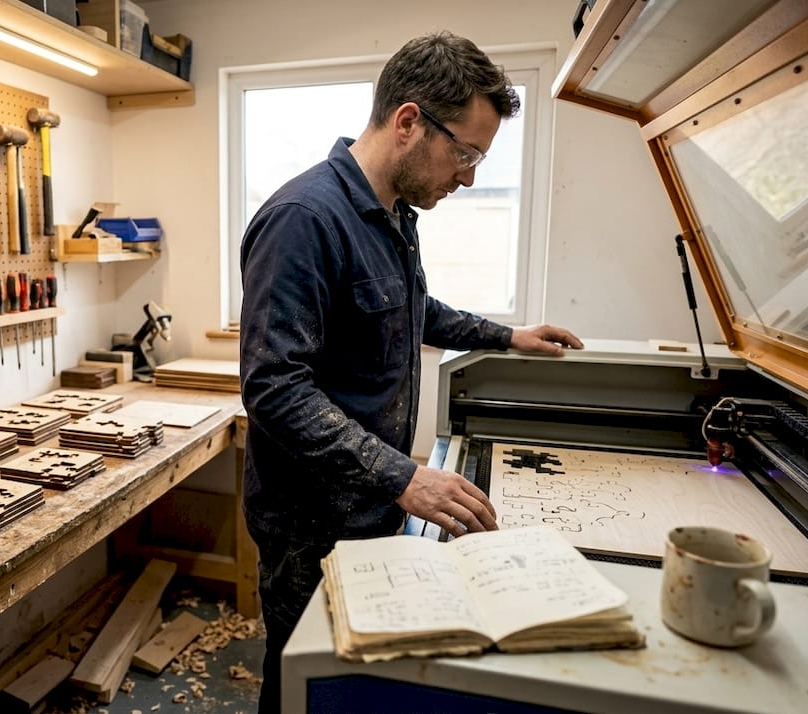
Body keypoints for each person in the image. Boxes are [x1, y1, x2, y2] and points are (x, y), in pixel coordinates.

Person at [238, 31, 584, 713]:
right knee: (303, 686)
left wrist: (506, 335)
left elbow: (411, 310)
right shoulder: (304, 220)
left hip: (367, 508)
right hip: (310, 526)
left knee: (348, 686)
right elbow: (274, 389)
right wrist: (405, 476)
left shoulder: (391, 214)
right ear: (408, 123)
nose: (470, 175)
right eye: (465, 152)